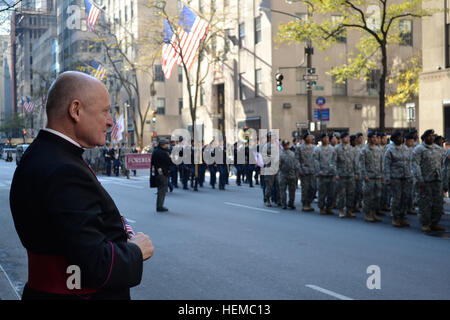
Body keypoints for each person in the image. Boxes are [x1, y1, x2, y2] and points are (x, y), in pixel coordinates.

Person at [9, 71, 153, 300]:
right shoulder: (63, 169)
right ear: (75, 110)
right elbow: (98, 265)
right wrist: (136, 250)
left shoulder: (44, 155)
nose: (110, 121)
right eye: (105, 111)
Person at [411, 129, 446, 232]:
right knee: (425, 203)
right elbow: (415, 165)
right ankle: (425, 223)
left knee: (438, 203)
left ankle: (434, 223)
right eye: (429, 136)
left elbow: (443, 163)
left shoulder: (438, 149)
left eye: (433, 136)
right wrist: (419, 179)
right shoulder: (419, 149)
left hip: (437, 180)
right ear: (425, 137)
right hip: (425, 180)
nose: (431, 138)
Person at [383, 131, 411, 227]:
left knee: (405, 197)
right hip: (395, 178)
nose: (400, 139)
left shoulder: (406, 149)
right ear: (393, 139)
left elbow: (409, 163)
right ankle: (395, 217)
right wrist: (387, 178)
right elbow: (386, 165)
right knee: (397, 198)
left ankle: (402, 217)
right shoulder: (389, 150)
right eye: (398, 137)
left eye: (401, 137)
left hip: (406, 177)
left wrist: (411, 175)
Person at [360, 131, 383, 223]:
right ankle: (368, 214)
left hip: (378, 176)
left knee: (377, 196)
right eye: (373, 137)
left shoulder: (378, 149)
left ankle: (373, 213)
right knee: (368, 196)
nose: (375, 139)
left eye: (376, 137)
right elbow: (361, 165)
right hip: (369, 177)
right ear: (369, 139)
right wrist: (364, 176)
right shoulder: (364, 150)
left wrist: (382, 175)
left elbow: (381, 163)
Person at [313, 133, 336, 215]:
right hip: (322, 175)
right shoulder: (317, 149)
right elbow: (315, 161)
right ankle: (322, 207)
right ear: (322, 139)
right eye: (324, 138)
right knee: (322, 193)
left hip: (331, 174)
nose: (326, 139)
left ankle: (329, 207)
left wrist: (334, 170)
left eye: (327, 138)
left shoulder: (332, 149)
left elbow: (335, 160)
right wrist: (319, 171)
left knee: (331, 193)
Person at [296, 131, 316, 212]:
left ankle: (309, 203)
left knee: (313, 188)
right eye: (309, 136)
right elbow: (296, 160)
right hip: (304, 171)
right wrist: (300, 170)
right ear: (305, 138)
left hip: (313, 171)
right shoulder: (300, 148)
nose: (311, 138)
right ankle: (305, 204)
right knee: (305, 188)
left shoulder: (314, 147)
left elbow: (316, 160)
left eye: (311, 137)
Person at [151, 138, 172, 211]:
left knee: (161, 189)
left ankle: (159, 205)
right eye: (166, 144)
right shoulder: (163, 152)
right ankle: (160, 206)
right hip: (162, 173)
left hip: (158, 172)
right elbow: (169, 161)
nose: (167, 145)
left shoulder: (156, 151)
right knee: (162, 190)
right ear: (162, 145)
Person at [278, 140, 297, 209]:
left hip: (292, 174)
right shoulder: (280, 154)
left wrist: (296, 173)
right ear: (283, 145)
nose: (286, 146)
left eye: (287, 144)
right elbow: (278, 164)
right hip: (283, 174)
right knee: (283, 190)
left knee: (292, 190)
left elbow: (295, 164)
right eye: (285, 145)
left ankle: (291, 203)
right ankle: (284, 203)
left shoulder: (292, 153)